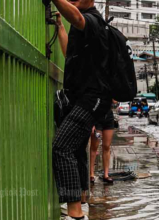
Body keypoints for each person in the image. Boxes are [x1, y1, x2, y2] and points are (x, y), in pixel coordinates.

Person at [51, 0, 111, 219]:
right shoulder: (80, 28)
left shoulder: (93, 21)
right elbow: (70, 55)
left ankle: (75, 213)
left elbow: (76, 17)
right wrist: (59, 28)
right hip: (83, 98)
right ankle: (82, 198)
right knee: (76, 149)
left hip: (92, 99)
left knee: (62, 146)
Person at [90, 109, 115, 184]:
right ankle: (91, 174)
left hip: (109, 116)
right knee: (94, 146)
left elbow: (115, 101)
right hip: (96, 117)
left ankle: (106, 175)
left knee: (107, 146)